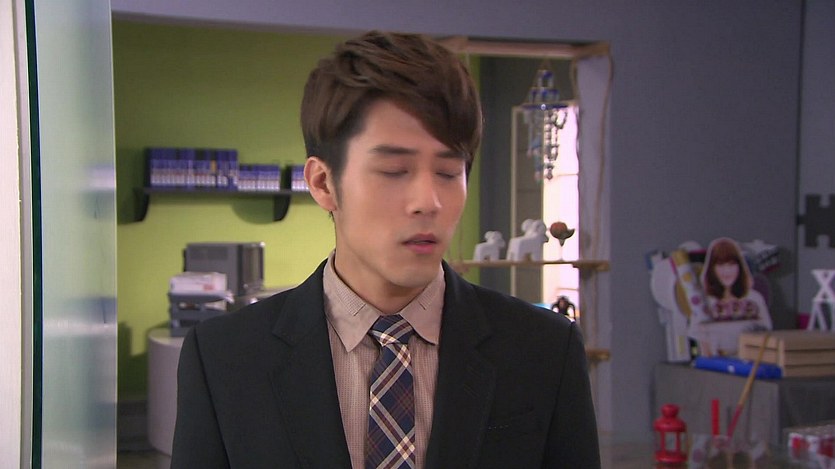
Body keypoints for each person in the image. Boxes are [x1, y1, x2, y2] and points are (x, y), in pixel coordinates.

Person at [171, 30, 600, 468]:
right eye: (394, 171)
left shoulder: (544, 350)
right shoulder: (225, 358)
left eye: (448, 173)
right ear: (323, 183)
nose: (428, 202)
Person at [690, 237, 771, 356]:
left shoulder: (755, 298)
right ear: (712, 269)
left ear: (740, 266)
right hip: (715, 362)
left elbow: (766, 332)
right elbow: (700, 338)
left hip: (751, 360)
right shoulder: (704, 301)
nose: (727, 271)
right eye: (720, 265)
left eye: (732, 264)